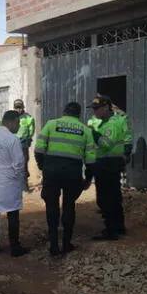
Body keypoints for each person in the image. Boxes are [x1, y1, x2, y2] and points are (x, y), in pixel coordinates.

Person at [35, 102, 96, 256]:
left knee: (52, 206)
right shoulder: (85, 130)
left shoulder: (51, 124)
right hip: (73, 172)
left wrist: (43, 167)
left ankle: (54, 245)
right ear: (79, 115)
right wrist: (88, 179)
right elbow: (90, 159)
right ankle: (67, 243)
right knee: (69, 205)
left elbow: (39, 149)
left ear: (64, 112)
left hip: (52, 170)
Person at [86, 95, 131, 241]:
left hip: (107, 163)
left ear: (106, 108)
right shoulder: (107, 122)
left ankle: (110, 230)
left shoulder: (111, 124)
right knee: (114, 196)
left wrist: (92, 132)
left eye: (97, 109)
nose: (95, 112)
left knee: (105, 198)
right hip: (111, 162)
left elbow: (106, 144)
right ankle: (119, 227)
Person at [0, 110, 29, 257]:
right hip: (9, 180)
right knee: (13, 213)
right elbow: (19, 163)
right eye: (17, 123)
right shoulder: (13, 139)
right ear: (10, 122)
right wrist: (18, 178)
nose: (18, 126)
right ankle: (15, 247)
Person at [13, 99, 35, 192]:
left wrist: (28, 138)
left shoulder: (28, 118)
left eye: (20, 107)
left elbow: (31, 130)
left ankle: (24, 187)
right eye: (16, 108)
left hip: (23, 143)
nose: (18, 109)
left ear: (23, 107)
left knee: (23, 164)